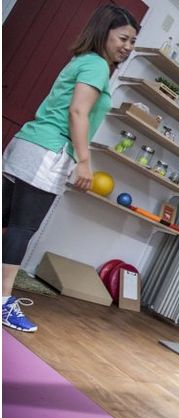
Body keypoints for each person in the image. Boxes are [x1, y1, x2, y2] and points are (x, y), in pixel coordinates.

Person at [2, 5, 140, 332]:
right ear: (104, 33)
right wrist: (84, 161)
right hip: (49, 151)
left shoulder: (82, 60)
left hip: (28, 143)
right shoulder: (96, 65)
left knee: (6, 220)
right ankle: (3, 301)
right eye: (123, 38)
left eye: (133, 42)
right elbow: (78, 112)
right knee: (22, 228)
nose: (128, 47)